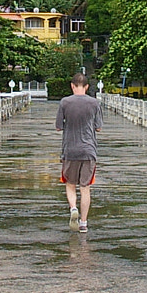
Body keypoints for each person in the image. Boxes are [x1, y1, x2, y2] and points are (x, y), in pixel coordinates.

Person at [56, 72, 103, 231]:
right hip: (89, 151)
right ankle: (83, 223)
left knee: (70, 184)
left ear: (72, 86)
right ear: (87, 87)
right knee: (85, 188)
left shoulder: (65, 102)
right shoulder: (95, 103)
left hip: (70, 151)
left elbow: (58, 127)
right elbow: (98, 127)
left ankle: (73, 208)